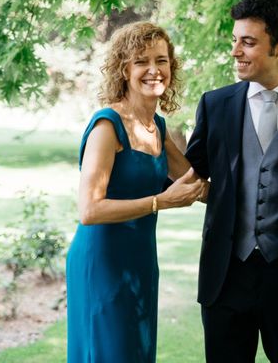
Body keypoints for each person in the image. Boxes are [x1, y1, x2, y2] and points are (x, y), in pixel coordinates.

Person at [185, 0, 278, 362]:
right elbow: (191, 175)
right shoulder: (216, 104)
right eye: (234, 41)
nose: (235, 51)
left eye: (247, 42)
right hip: (226, 277)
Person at [66, 22, 205, 363]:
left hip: (141, 262)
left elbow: (193, 181)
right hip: (103, 262)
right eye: (142, 61)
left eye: (162, 60)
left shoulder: (156, 126)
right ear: (124, 69)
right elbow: (89, 210)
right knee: (107, 353)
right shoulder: (106, 126)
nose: (154, 70)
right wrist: (160, 201)